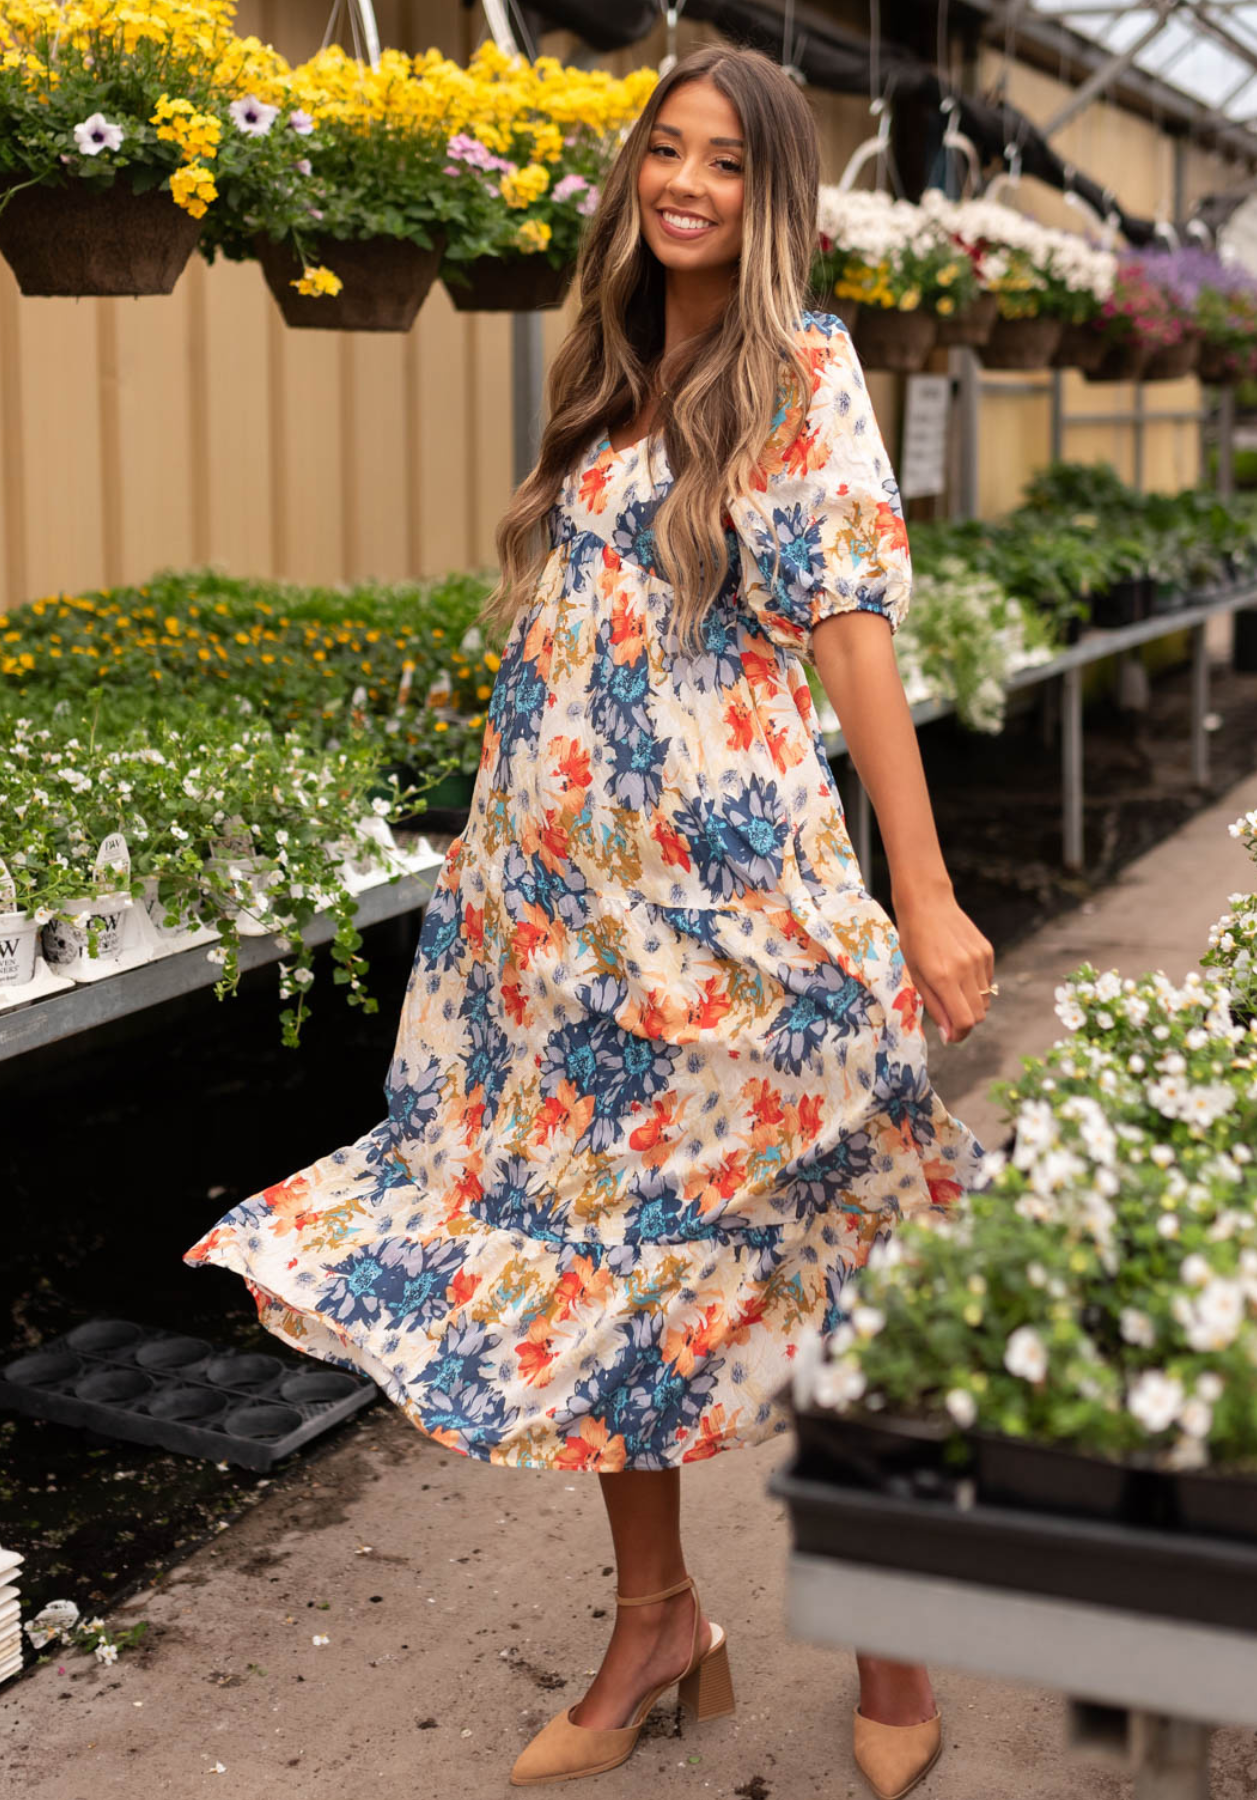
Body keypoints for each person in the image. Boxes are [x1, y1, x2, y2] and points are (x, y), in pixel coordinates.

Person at [184, 40, 993, 1799]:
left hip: (740, 905)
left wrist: (919, 892)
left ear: (772, 197)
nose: (686, 183)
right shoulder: (609, 365)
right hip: (553, 919)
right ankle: (657, 1628)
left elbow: (853, 631)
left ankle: (893, 1637)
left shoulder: (799, 367)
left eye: (725, 162)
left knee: (833, 1245)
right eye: (665, 153)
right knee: (606, 1263)